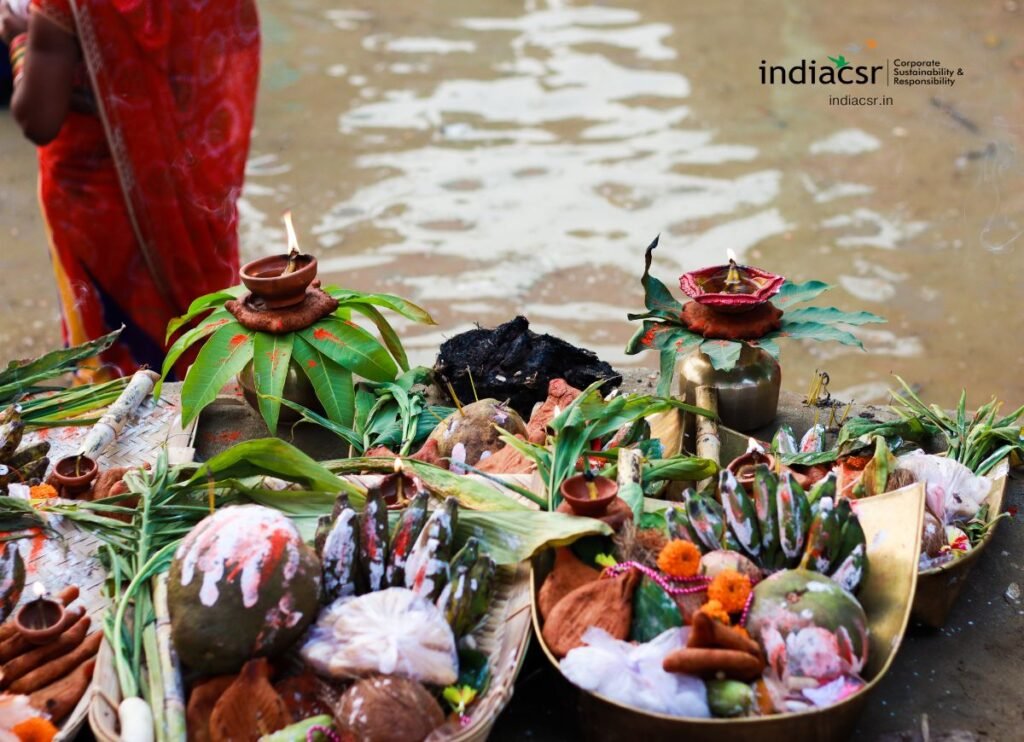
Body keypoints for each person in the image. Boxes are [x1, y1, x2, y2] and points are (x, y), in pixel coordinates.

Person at [2, 0, 259, 378]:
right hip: (193, 183)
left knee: (114, 361)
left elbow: (38, 117)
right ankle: (200, 405)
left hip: (99, 210)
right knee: (195, 329)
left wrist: (20, 39)